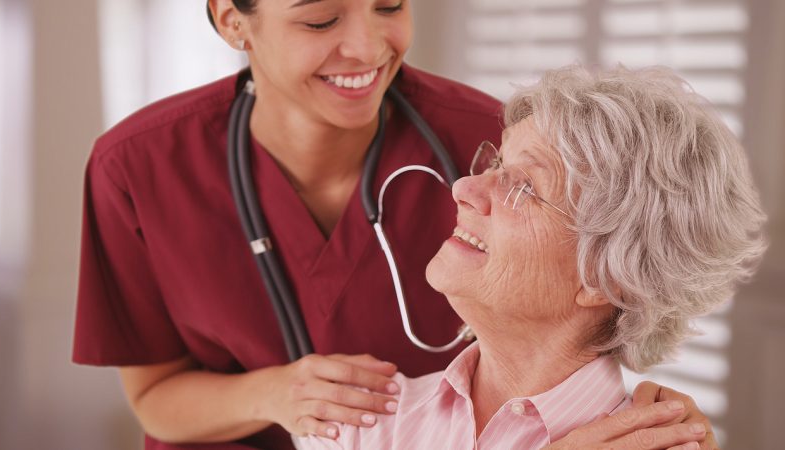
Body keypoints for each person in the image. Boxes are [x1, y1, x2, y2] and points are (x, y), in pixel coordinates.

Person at [72, 1, 718, 448]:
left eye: (389, 4)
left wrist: (656, 419)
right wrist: (277, 395)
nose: (367, 46)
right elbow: (153, 392)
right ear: (231, 19)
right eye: (320, 17)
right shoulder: (136, 167)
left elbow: (610, 263)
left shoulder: (482, 137)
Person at [295, 64, 767, 449]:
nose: (463, 188)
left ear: (603, 276)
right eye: (497, 163)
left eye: (523, 187)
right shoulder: (357, 422)